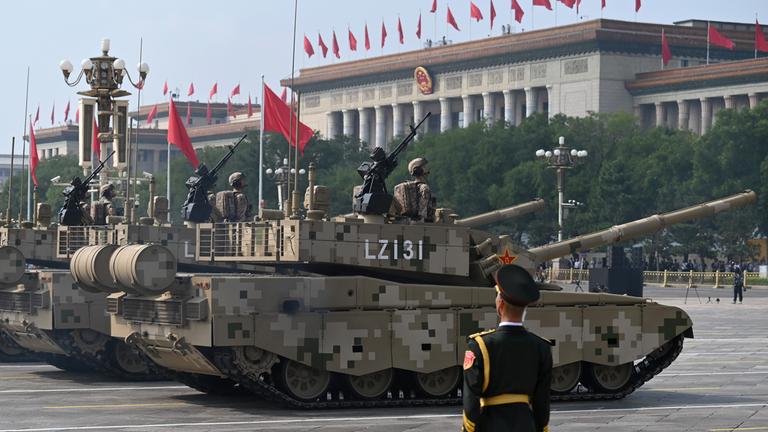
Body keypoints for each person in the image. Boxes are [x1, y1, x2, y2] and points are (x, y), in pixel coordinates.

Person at [462, 264, 552, 432]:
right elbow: (542, 403)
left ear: (500, 303)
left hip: (491, 424)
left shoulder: (480, 346)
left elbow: (470, 403)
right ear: (525, 307)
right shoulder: (541, 347)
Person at [393, 157, 435, 222]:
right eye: (424, 167)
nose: (427, 168)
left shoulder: (411, 186)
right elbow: (422, 213)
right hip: (422, 225)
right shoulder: (424, 188)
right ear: (418, 170)